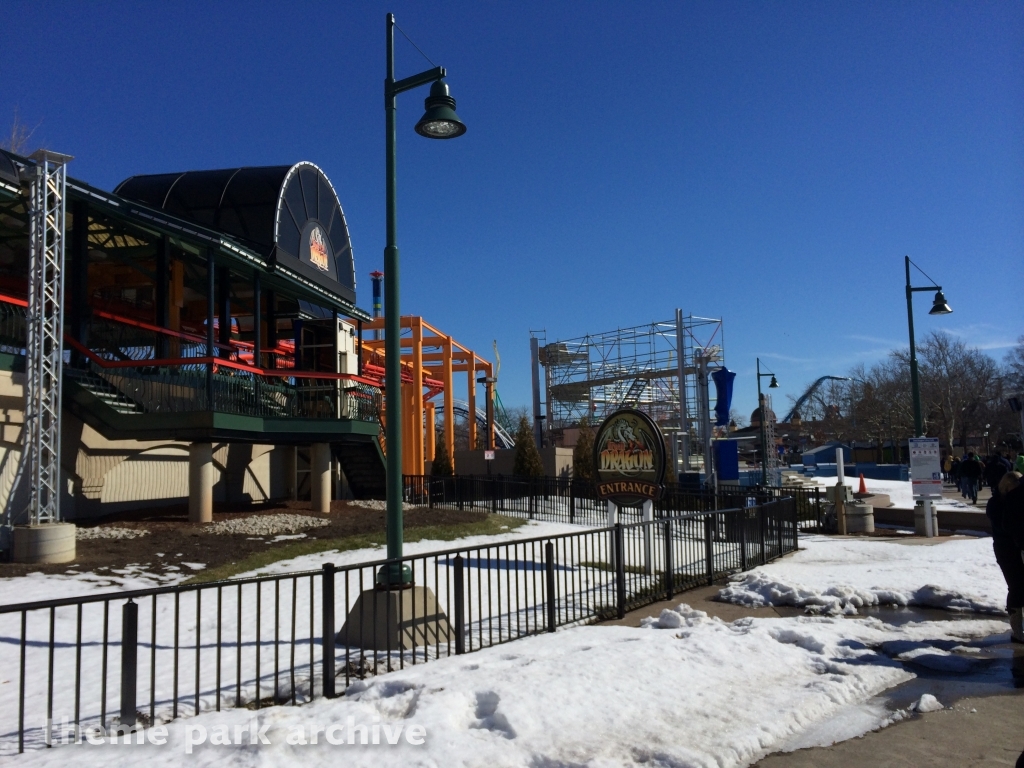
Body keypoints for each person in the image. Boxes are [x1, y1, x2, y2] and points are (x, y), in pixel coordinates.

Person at [997, 471, 1024, 643]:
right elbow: (1003, 526)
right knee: (1016, 586)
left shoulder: (1012, 499)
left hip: (1014, 546)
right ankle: (1017, 630)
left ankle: (1018, 630)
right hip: (1007, 549)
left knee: (1018, 587)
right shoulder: (998, 502)